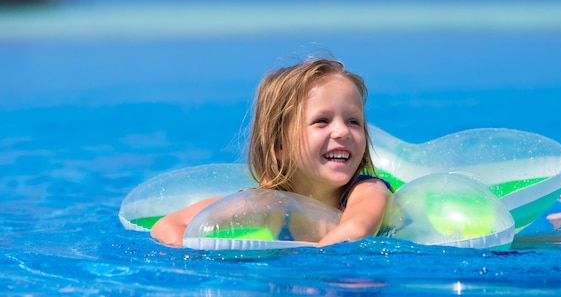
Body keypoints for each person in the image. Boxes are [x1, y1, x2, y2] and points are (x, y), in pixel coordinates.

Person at [151, 58, 392, 247]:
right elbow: (168, 224)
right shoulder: (267, 204)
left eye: (353, 121)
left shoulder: (368, 191)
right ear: (280, 147)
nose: (342, 132)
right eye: (322, 121)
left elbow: (356, 229)